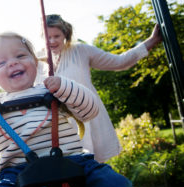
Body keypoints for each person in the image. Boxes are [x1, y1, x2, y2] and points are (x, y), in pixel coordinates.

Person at [0, 32, 139, 187]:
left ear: (35, 62)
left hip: (72, 159)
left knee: (114, 184)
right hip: (16, 171)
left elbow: (89, 111)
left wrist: (65, 86)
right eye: (1, 63)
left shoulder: (52, 91)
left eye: (20, 56)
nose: (12, 63)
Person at [37, 14, 163, 163]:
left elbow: (119, 62)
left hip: (84, 118)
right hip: (56, 126)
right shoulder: (36, 60)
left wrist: (152, 41)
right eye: (47, 37)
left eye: (56, 36)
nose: (52, 41)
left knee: (90, 168)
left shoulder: (81, 51)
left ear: (65, 33)